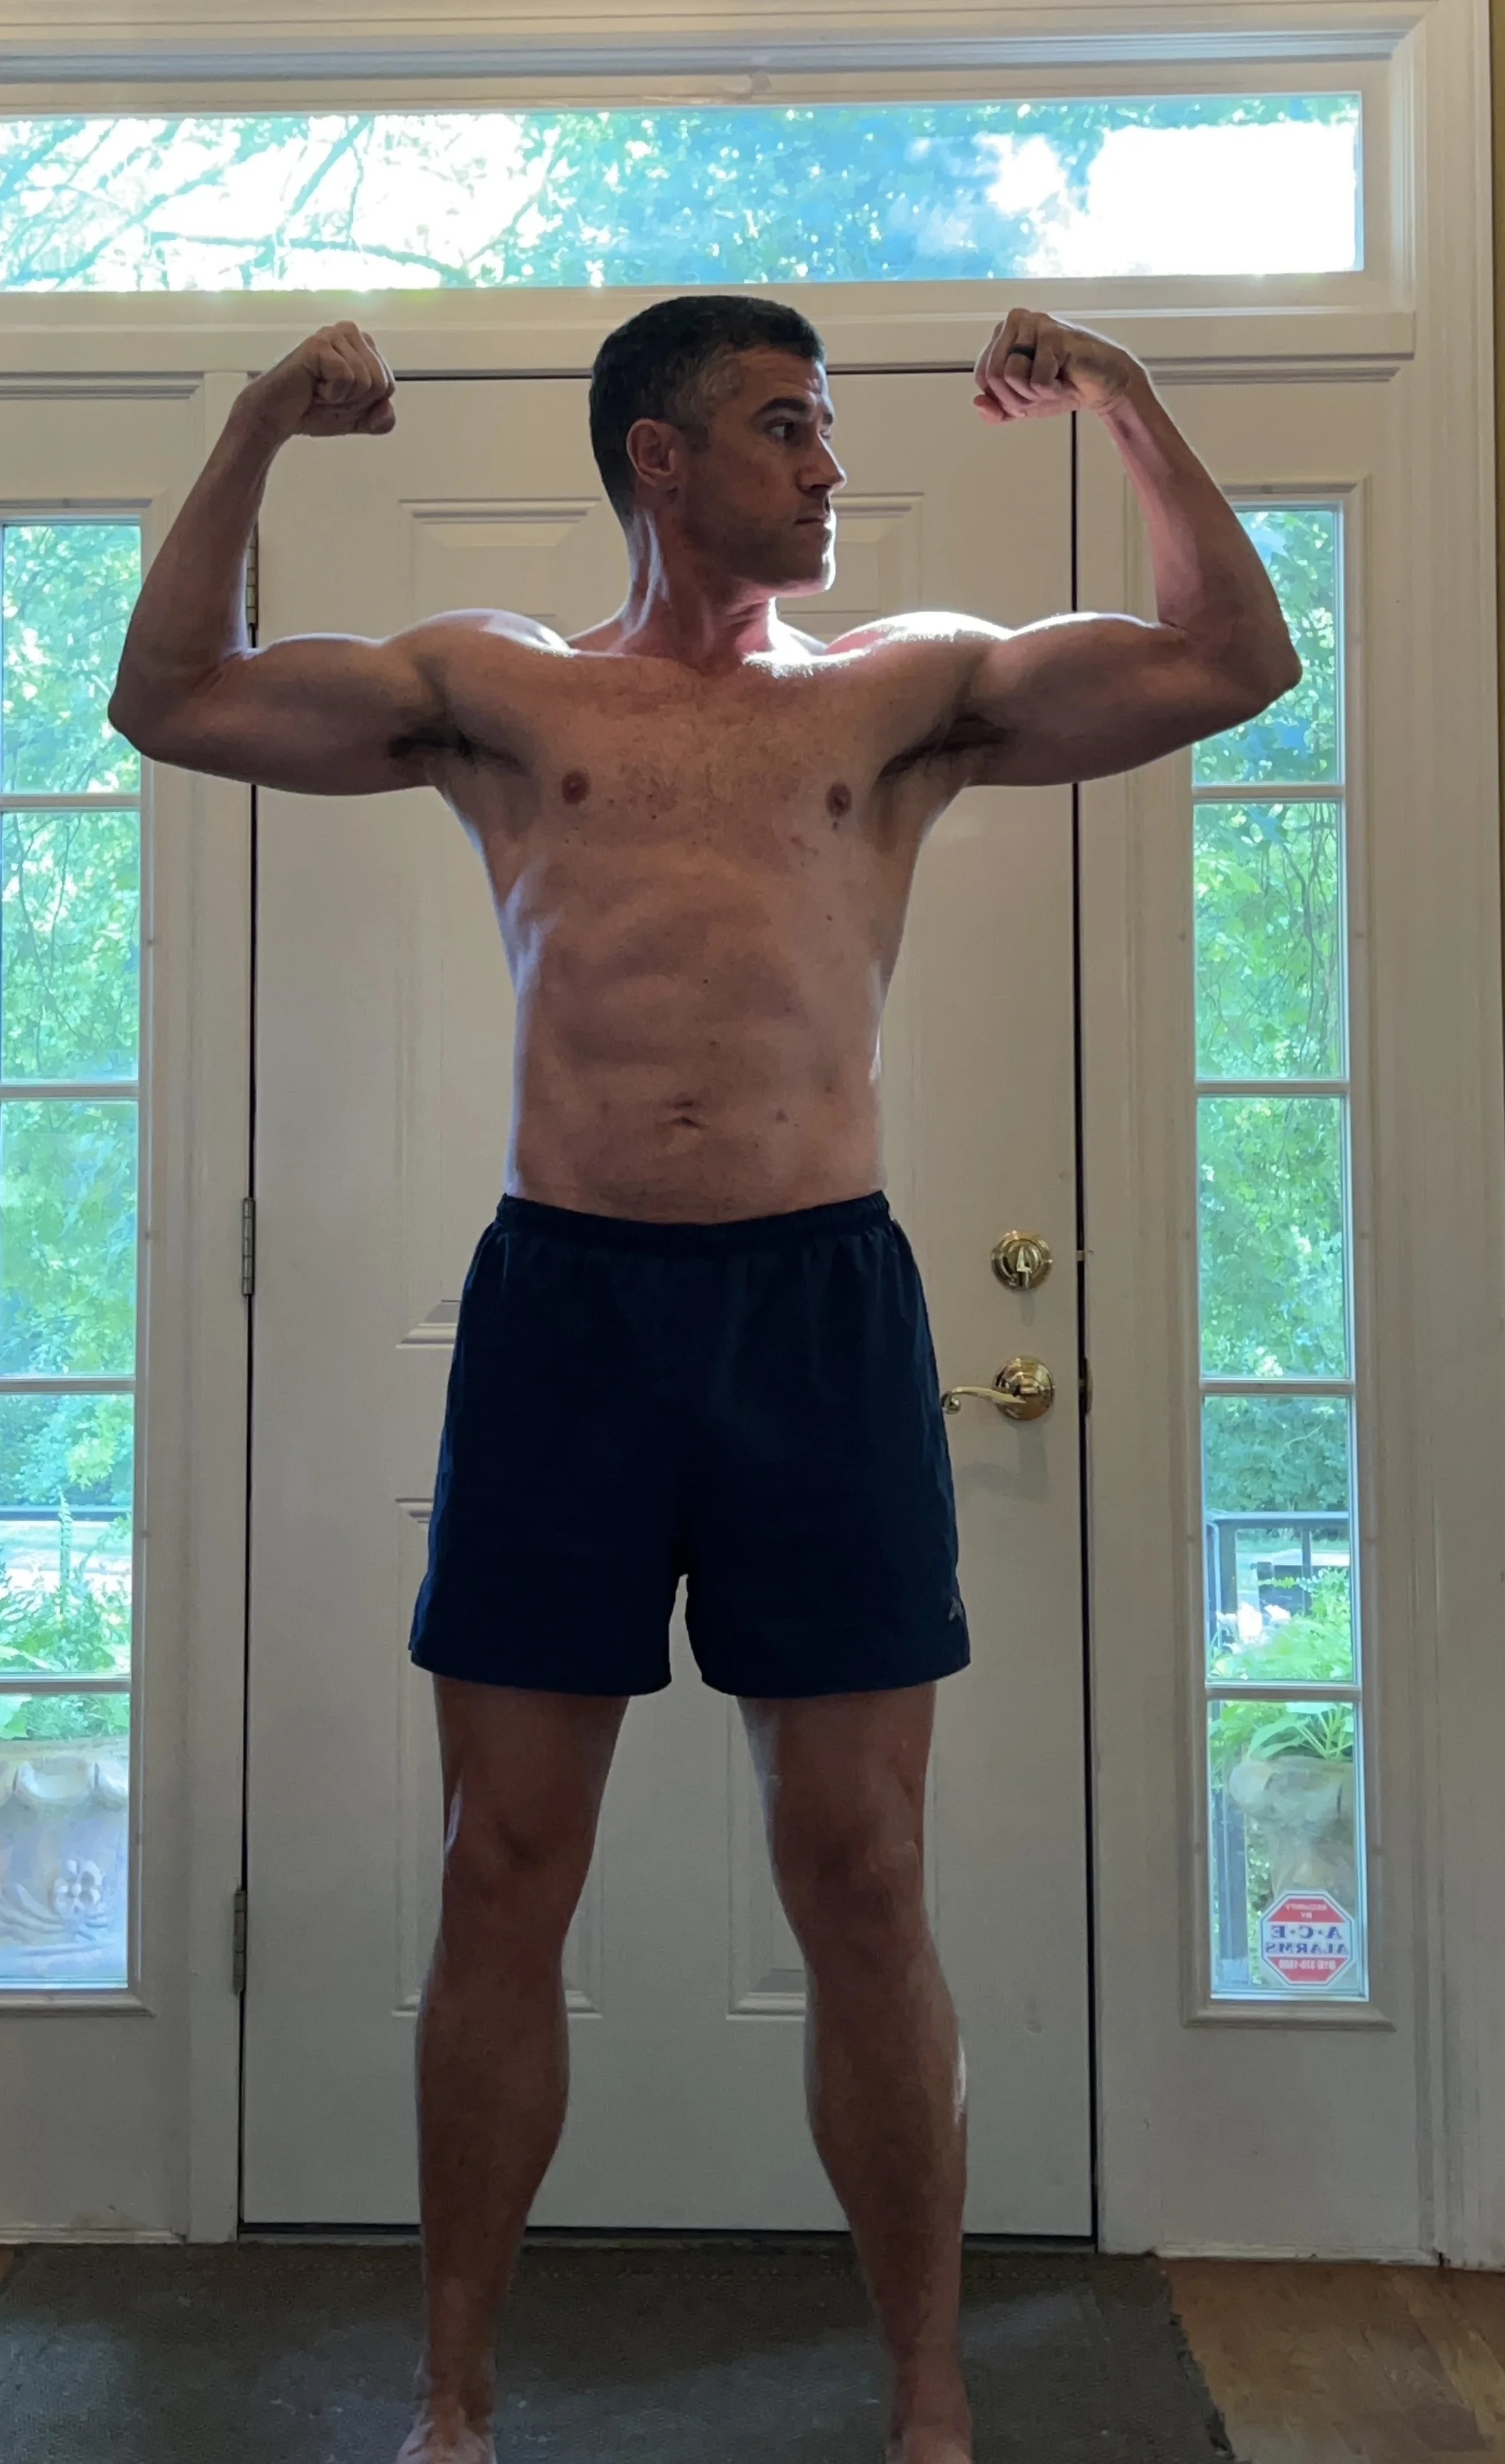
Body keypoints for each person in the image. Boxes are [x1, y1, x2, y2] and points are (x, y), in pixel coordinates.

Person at [109, 296, 1299, 2464]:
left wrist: (1125, 399)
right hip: (565, 1317)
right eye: (783, 427)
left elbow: (1232, 660)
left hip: (816, 1314)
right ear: (657, 460)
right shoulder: (500, 689)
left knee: (862, 1872)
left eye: (825, 429)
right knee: (503, 1866)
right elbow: (170, 695)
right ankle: (453, 2400)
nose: (828, 467)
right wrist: (263, 419)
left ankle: (926, 2400)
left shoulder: (904, 690)